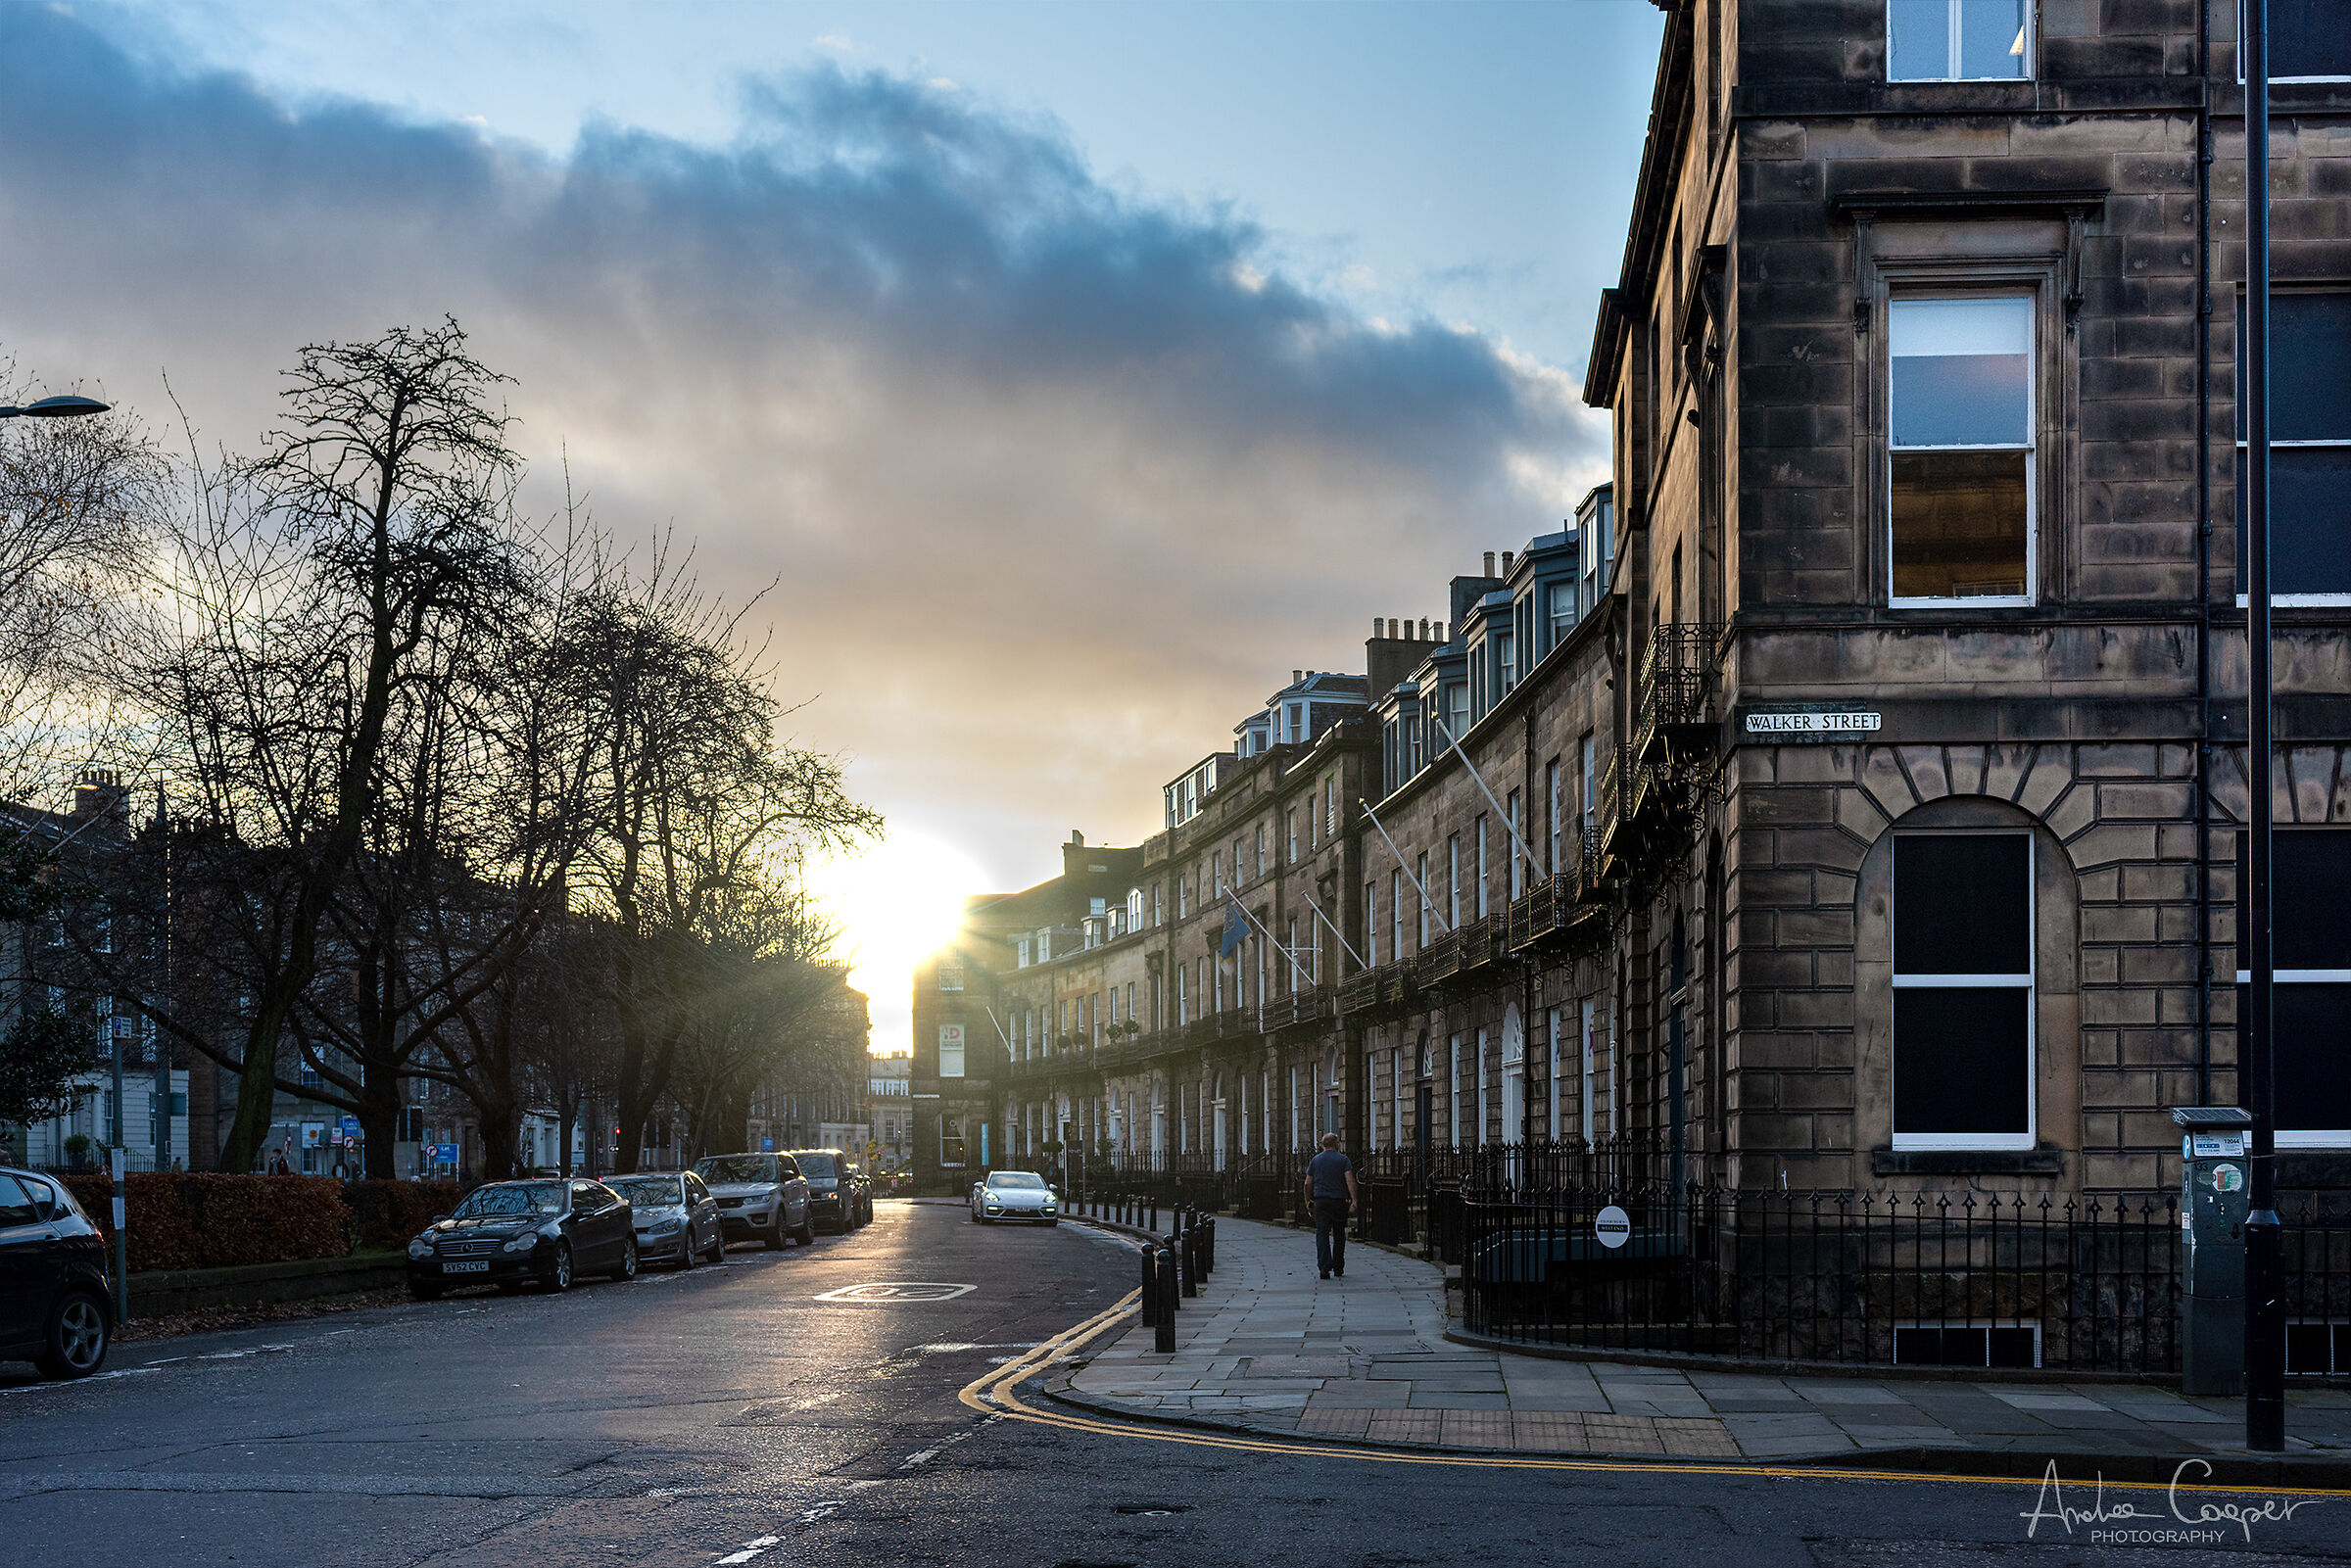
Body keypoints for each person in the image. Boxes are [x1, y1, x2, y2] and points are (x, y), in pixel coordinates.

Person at [1302, 1132, 1358, 1280]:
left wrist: (1308, 1201)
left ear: (1323, 1144)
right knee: (1339, 1234)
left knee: (1322, 1234)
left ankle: (1324, 1268)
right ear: (1336, 1143)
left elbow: (1307, 1184)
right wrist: (1354, 1201)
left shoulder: (1315, 1160)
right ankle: (1338, 1267)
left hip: (1321, 1202)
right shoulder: (1343, 1160)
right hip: (1338, 1201)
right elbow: (1350, 1181)